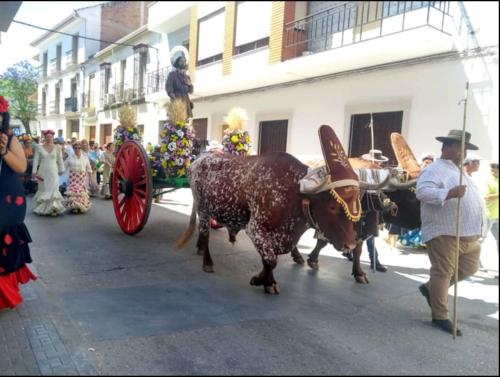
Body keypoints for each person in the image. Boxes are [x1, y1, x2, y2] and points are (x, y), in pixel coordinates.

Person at [416, 129, 486, 336]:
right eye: (461, 147)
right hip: (445, 232)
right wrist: (448, 193)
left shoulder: (460, 171)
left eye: (466, 149)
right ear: (447, 147)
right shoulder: (435, 169)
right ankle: (440, 315)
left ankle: (431, 288)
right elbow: (422, 192)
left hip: (469, 235)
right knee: (443, 273)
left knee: (469, 268)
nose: (464, 153)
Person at [0, 96, 37, 309]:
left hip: (8, 200)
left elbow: (22, 167)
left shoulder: (10, 138)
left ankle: (5, 295)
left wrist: (3, 151)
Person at [31, 129, 66, 216]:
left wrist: (62, 169)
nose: (49, 138)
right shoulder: (39, 147)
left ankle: (54, 208)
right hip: (42, 172)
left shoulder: (57, 147)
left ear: (53, 137)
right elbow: (35, 160)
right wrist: (34, 171)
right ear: (44, 137)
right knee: (44, 189)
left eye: (50, 137)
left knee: (53, 189)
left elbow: (60, 160)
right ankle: (44, 209)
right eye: (47, 137)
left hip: (53, 172)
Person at [165, 46, 193, 118]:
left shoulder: (187, 76)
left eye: (184, 61)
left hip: (186, 100)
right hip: (177, 99)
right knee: (177, 117)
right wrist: (174, 99)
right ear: (177, 62)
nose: (183, 62)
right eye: (181, 61)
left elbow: (191, 91)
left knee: (186, 118)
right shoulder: (172, 74)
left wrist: (190, 85)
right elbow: (169, 87)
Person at [64, 141, 92, 213]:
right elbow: (64, 167)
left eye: (79, 148)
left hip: (81, 177)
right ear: (73, 149)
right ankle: (74, 207)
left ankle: (81, 206)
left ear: (80, 148)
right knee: (73, 192)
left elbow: (89, 169)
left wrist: (90, 180)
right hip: (73, 177)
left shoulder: (85, 157)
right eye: (75, 148)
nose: (77, 149)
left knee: (81, 192)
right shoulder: (70, 157)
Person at [484, 162, 499, 258]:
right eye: (492, 169)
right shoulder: (488, 181)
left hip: (498, 216)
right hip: (488, 215)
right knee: (480, 239)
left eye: (495, 169)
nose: (493, 171)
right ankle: (475, 262)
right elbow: (487, 197)